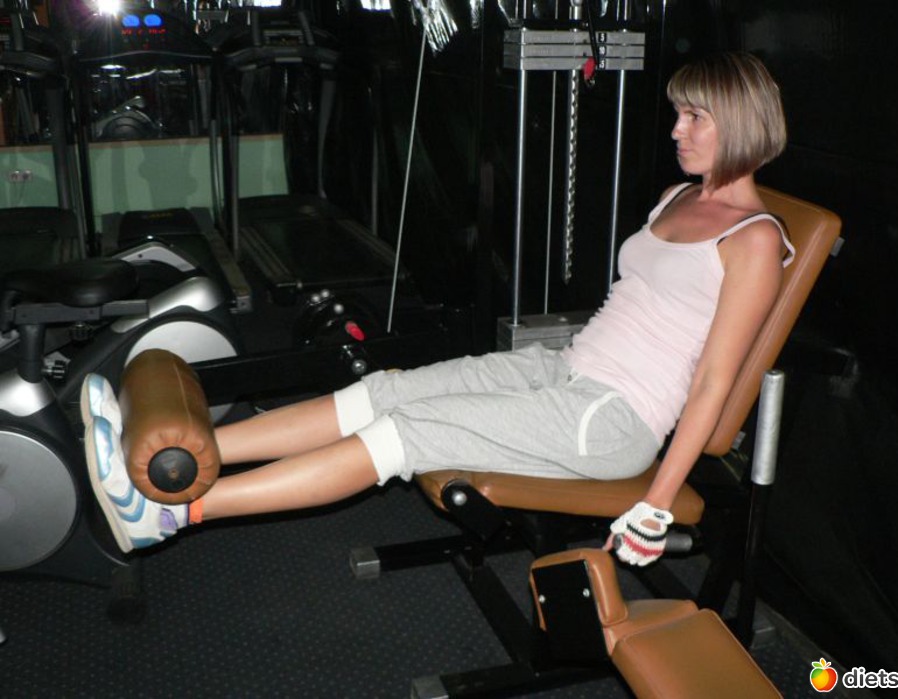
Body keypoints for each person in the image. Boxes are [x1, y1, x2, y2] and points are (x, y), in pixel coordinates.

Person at [83, 51, 794, 566]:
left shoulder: (755, 239)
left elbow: (711, 381)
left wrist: (656, 501)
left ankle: (173, 511)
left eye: (694, 116)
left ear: (738, 122)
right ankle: (185, 454)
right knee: (380, 392)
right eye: (677, 114)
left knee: (403, 433)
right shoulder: (676, 197)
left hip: (612, 420)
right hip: (562, 371)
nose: (676, 130)